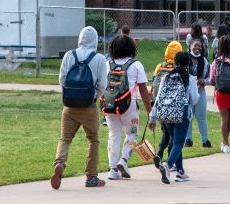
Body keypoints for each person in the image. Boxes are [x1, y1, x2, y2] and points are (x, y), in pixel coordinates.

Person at [52, 26, 110, 189]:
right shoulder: (99, 59)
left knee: (65, 138)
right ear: (95, 40)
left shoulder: (69, 55)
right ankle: (91, 176)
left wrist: (70, 94)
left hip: (69, 106)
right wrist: (93, 97)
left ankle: (60, 163)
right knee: (93, 139)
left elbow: (62, 79)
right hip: (88, 105)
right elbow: (102, 84)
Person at [102, 34, 153, 180]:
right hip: (129, 106)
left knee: (114, 135)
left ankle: (112, 170)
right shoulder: (136, 65)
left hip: (110, 105)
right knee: (132, 134)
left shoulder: (107, 64)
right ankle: (123, 160)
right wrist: (150, 111)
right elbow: (143, 90)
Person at [150, 51, 198, 183]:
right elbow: (194, 99)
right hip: (181, 113)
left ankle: (181, 171)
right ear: (188, 63)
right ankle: (168, 165)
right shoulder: (189, 78)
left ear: (175, 62)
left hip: (165, 113)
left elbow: (158, 98)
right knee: (178, 143)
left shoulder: (166, 77)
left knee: (176, 142)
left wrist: (152, 117)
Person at [149, 40, 184, 166]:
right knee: (174, 135)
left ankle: (159, 153)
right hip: (173, 107)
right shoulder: (179, 68)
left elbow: (153, 83)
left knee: (166, 131)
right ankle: (171, 160)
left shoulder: (160, 66)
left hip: (160, 106)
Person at [209, 35, 230, 153]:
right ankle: (225, 142)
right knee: (229, 118)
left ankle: (225, 143)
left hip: (221, 92)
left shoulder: (216, 62)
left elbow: (212, 79)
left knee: (224, 118)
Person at [183, 39, 212, 148]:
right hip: (187, 93)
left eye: (200, 46)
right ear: (190, 46)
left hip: (200, 91)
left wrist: (203, 81)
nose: (198, 48)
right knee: (188, 116)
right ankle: (188, 139)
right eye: (195, 46)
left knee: (201, 116)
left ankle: (205, 140)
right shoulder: (186, 59)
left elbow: (209, 78)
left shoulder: (204, 61)